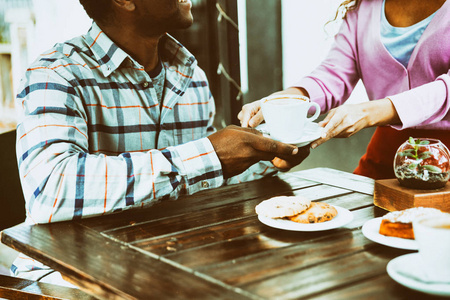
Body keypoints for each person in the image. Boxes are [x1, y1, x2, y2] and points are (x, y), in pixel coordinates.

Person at [11, 0, 309, 285]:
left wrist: (265, 155)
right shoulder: (56, 74)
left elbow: (202, 180)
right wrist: (210, 155)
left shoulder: (190, 76)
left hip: (165, 266)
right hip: (65, 280)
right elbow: (50, 189)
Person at [239, 0, 450, 180]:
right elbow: (334, 74)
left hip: (444, 156)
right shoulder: (364, 8)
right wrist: (281, 101)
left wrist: (370, 113)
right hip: (387, 153)